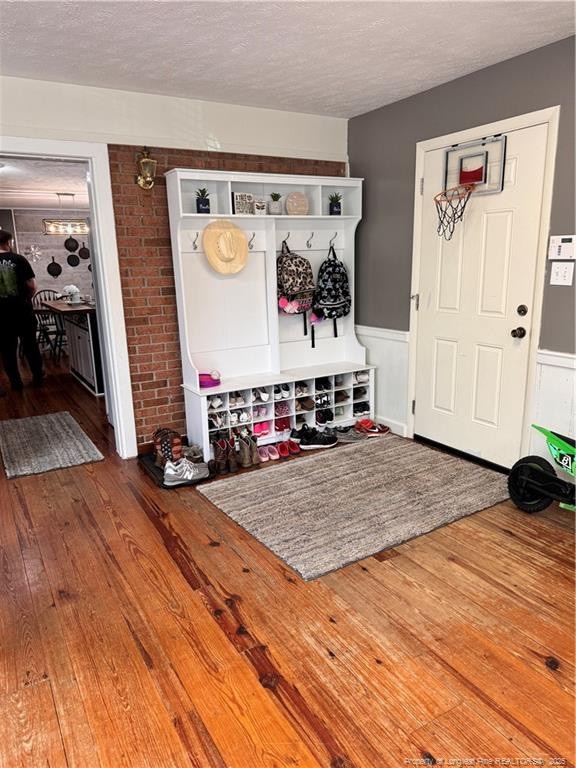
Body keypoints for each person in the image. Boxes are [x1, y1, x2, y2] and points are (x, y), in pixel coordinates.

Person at [0, 230, 44, 390]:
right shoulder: (19, 259)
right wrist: (27, 298)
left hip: (2, 316)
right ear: (8, 243)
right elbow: (32, 285)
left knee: (7, 351)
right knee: (30, 346)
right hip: (22, 311)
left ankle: (16, 383)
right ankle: (38, 378)